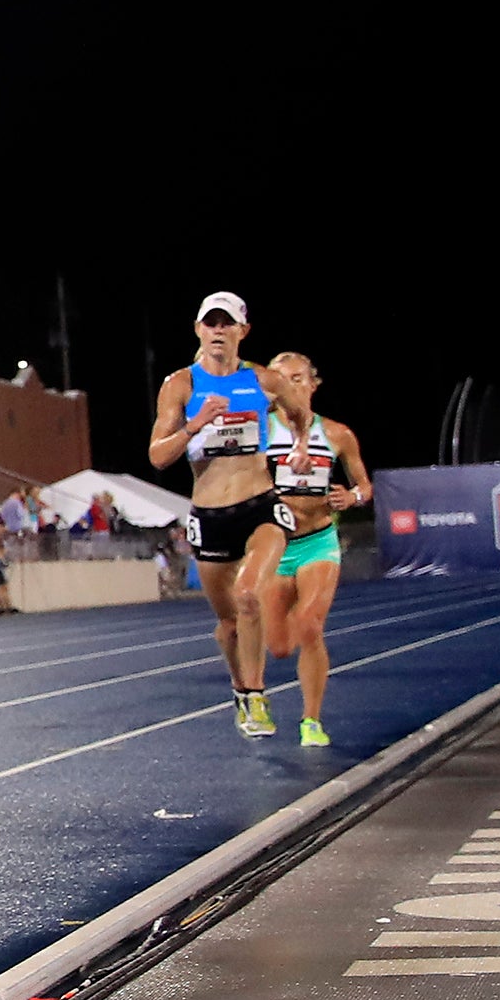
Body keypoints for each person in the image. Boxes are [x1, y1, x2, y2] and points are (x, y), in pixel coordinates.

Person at [148, 291, 299, 739]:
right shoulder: (182, 386)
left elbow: (300, 412)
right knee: (229, 624)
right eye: (210, 323)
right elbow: (157, 456)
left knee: (250, 594)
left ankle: (256, 697)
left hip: (261, 505)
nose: (218, 330)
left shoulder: (264, 381)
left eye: (226, 323)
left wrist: (302, 441)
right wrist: (195, 425)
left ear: (242, 331)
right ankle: (240, 688)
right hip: (211, 515)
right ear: (198, 330)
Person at [260, 352, 371, 747]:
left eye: (296, 379)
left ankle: (311, 721)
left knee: (310, 624)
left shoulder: (338, 434)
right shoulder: (260, 432)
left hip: (318, 542)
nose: (289, 386)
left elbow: (364, 486)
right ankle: (288, 610)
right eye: (280, 380)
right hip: (275, 548)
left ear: (312, 384)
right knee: (279, 647)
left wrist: (352, 496)